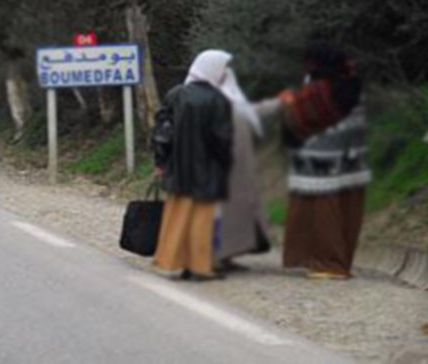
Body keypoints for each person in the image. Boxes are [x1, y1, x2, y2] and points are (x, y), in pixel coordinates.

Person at [270, 41, 369, 280]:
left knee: (323, 216)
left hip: (319, 164)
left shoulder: (318, 89)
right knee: (347, 214)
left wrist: (287, 103)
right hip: (351, 161)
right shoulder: (353, 86)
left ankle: (330, 264)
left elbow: (297, 118)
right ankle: (342, 262)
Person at [152, 50, 233, 281]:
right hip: (207, 171)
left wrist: (160, 162)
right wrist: (228, 164)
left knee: (177, 216)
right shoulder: (218, 100)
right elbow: (222, 140)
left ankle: (171, 260)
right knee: (201, 219)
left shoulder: (176, 94)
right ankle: (199, 266)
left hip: (177, 168)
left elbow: (162, 133)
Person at [213, 69, 271, 272]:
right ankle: (213, 256)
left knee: (236, 212)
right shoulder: (207, 101)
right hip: (216, 169)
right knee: (217, 213)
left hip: (239, 169)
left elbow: (253, 112)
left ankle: (227, 255)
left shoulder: (235, 101)